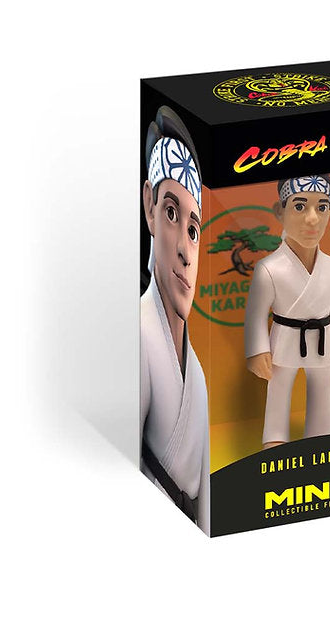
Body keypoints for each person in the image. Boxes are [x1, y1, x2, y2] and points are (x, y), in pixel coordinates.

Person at [244, 175, 330, 448]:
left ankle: (322, 429)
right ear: (279, 212)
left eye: (322, 207)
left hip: (322, 337)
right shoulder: (269, 268)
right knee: (279, 387)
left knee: (323, 385)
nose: (313, 219)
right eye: (299, 206)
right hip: (285, 336)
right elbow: (256, 315)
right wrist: (257, 350)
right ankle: (275, 436)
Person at [140, 106, 210, 533]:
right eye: (171, 213)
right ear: (149, 207)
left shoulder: (198, 374)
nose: (185, 250)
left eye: (194, 230)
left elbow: (207, 501)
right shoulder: (138, 334)